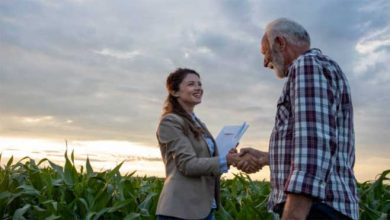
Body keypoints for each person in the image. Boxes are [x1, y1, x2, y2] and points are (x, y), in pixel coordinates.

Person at [237, 18, 359, 220]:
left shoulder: (306, 66)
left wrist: (293, 215)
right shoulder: (322, 67)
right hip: (323, 206)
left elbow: (313, 145)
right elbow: (323, 143)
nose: (265, 62)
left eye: (265, 52)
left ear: (280, 43)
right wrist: (268, 157)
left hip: (316, 209)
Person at [155, 68, 259, 220]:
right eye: (191, 84)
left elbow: (208, 164)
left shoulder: (199, 123)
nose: (198, 88)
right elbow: (188, 165)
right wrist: (226, 160)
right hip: (181, 210)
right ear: (175, 92)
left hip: (205, 208)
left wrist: (226, 157)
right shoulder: (170, 122)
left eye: (199, 84)